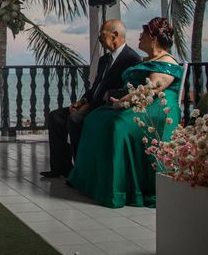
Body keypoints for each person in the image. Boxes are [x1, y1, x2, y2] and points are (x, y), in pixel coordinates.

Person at [68, 17, 183, 208]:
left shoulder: (167, 62)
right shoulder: (149, 59)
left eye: (143, 35)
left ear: (153, 38)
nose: (139, 37)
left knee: (116, 125)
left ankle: (119, 189)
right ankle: (93, 181)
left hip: (156, 109)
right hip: (139, 103)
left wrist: (123, 102)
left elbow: (152, 88)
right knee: (95, 118)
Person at [41, 19, 141, 178]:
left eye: (102, 34)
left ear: (114, 35)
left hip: (107, 107)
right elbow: (95, 88)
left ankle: (81, 169)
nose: (99, 39)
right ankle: (61, 167)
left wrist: (91, 105)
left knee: (75, 119)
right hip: (91, 104)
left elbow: (127, 91)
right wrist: (82, 101)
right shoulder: (104, 60)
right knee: (55, 117)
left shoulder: (132, 59)